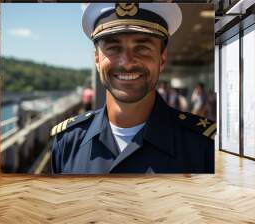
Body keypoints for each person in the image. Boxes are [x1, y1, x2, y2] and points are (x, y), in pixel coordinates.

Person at [50, 3, 216, 174]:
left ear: (162, 60)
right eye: (113, 48)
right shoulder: (67, 143)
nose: (127, 62)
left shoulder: (206, 146)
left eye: (142, 48)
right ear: (97, 60)